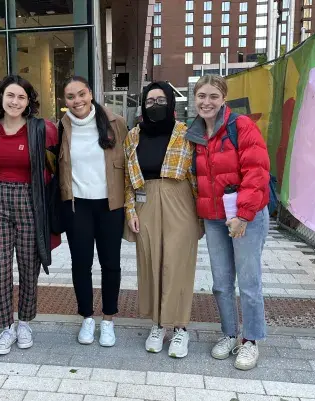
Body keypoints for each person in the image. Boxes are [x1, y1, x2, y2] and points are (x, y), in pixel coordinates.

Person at [185, 74, 270, 370]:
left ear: (223, 99)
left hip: (246, 215)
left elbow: (257, 171)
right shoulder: (195, 133)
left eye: (213, 96)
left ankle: (251, 340)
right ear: (194, 99)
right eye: (201, 96)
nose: (206, 102)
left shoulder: (241, 126)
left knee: (248, 282)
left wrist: (243, 215)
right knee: (221, 283)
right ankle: (229, 333)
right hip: (214, 218)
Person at [0, 75, 59, 355]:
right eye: (10, 96)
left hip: (29, 201)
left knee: (28, 267)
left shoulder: (41, 128)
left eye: (21, 97)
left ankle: (24, 322)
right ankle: (6, 326)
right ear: (1, 98)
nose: (15, 101)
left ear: (28, 102)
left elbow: (58, 159)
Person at [124, 81, 200, 358]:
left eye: (161, 100)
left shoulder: (186, 133)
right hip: (145, 201)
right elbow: (127, 178)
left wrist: (202, 213)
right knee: (151, 263)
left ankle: (179, 327)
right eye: (150, 101)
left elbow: (197, 174)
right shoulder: (133, 135)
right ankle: (157, 324)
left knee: (177, 264)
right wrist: (130, 211)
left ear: (171, 102)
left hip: (179, 199)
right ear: (143, 104)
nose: (155, 105)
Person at [59, 76, 127, 347]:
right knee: (81, 264)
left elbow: (129, 164)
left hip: (110, 205)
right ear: (65, 101)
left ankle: (108, 320)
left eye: (81, 94)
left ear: (91, 94)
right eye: (71, 96)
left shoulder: (115, 123)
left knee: (111, 264)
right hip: (78, 205)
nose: (77, 101)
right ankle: (87, 317)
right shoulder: (61, 128)